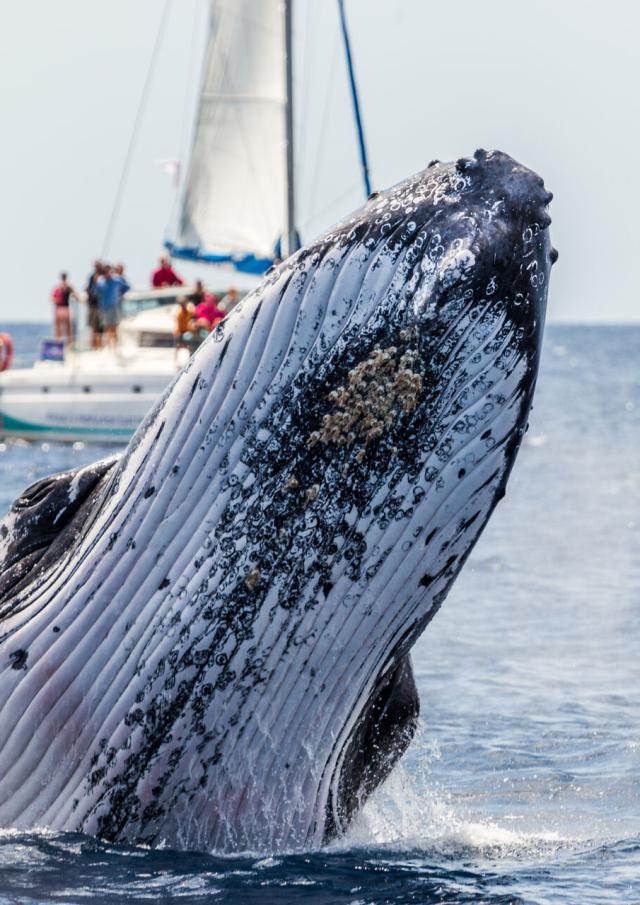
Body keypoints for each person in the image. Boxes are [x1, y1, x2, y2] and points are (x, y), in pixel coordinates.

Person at [93, 264, 128, 348]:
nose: (106, 274)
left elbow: (126, 287)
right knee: (107, 327)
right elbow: (95, 293)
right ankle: (110, 346)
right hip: (104, 308)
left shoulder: (117, 280)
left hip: (114, 306)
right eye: (104, 272)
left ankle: (116, 346)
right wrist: (95, 282)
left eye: (107, 271)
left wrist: (121, 294)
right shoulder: (101, 282)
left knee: (115, 327)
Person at [51, 272, 78, 343]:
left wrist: (56, 300)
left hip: (59, 308)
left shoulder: (58, 287)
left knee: (58, 328)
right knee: (68, 328)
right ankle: (69, 344)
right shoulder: (68, 287)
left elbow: (52, 298)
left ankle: (58, 343)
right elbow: (75, 296)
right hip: (65, 308)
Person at [86, 260, 104, 349]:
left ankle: (100, 345)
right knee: (93, 326)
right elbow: (90, 290)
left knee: (101, 327)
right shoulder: (92, 277)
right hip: (93, 306)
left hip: (102, 306)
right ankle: (93, 345)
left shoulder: (104, 276)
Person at [173, 296, 195, 361]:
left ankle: (190, 357)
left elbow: (193, 318)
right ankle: (175, 359)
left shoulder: (189, 311)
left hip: (187, 331)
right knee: (177, 346)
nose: (183, 305)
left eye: (183, 304)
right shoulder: (179, 312)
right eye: (181, 304)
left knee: (189, 345)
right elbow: (177, 322)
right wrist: (177, 331)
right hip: (180, 331)